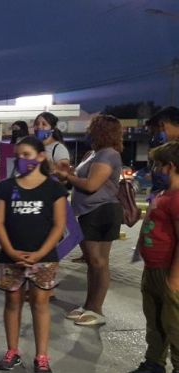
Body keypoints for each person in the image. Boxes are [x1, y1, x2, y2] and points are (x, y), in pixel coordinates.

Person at [0, 136, 68, 373]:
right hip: (10, 257)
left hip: (44, 258)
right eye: (18, 156)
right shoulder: (6, 187)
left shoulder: (54, 189)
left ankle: (41, 356)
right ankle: (12, 350)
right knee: (12, 302)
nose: (21, 159)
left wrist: (39, 254)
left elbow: (59, 225)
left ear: (41, 157)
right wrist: (11, 251)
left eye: (27, 154)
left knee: (40, 303)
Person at [53, 115, 125, 326]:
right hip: (89, 212)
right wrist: (68, 173)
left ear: (101, 131)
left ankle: (97, 309)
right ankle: (89, 305)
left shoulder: (108, 154)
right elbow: (82, 179)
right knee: (92, 262)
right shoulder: (95, 154)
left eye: (92, 128)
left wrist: (68, 177)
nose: (88, 131)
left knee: (98, 262)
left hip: (101, 211)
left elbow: (92, 185)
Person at [122, 141, 179, 373]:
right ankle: (155, 363)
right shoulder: (163, 194)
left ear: (171, 167)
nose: (153, 170)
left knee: (174, 322)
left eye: (157, 165)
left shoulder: (177, 198)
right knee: (155, 319)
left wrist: (175, 277)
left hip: (169, 271)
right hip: (153, 268)